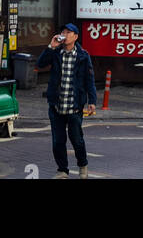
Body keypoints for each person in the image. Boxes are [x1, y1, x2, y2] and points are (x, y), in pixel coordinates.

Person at [35, 22, 97, 179]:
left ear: (75, 37)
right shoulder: (56, 52)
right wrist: (51, 46)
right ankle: (62, 170)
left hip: (74, 106)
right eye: (64, 31)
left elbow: (90, 80)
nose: (65, 34)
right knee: (58, 141)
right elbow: (39, 64)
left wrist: (92, 101)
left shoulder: (83, 56)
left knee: (77, 140)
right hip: (56, 105)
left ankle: (83, 164)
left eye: (69, 32)